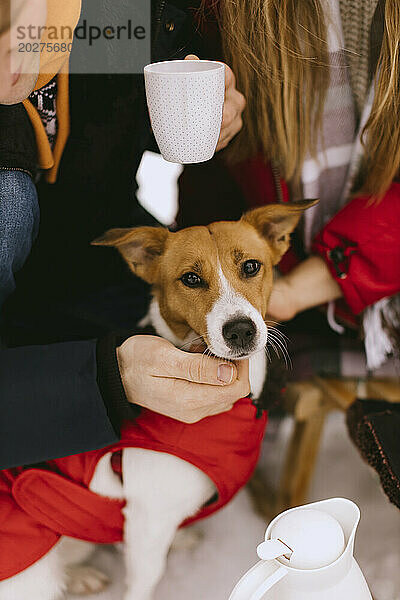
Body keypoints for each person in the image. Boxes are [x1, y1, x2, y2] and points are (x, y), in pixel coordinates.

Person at [0, 0, 247, 469]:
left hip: (91, 269)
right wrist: (107, 380)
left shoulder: (101, 11)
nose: (23, 48)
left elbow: (116, 83)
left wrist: (194, 109)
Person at [178, 0, 400, 372]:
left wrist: (297, 290)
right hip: (267, 286)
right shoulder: (231, 11)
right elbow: (215, 178)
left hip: (351, 288)